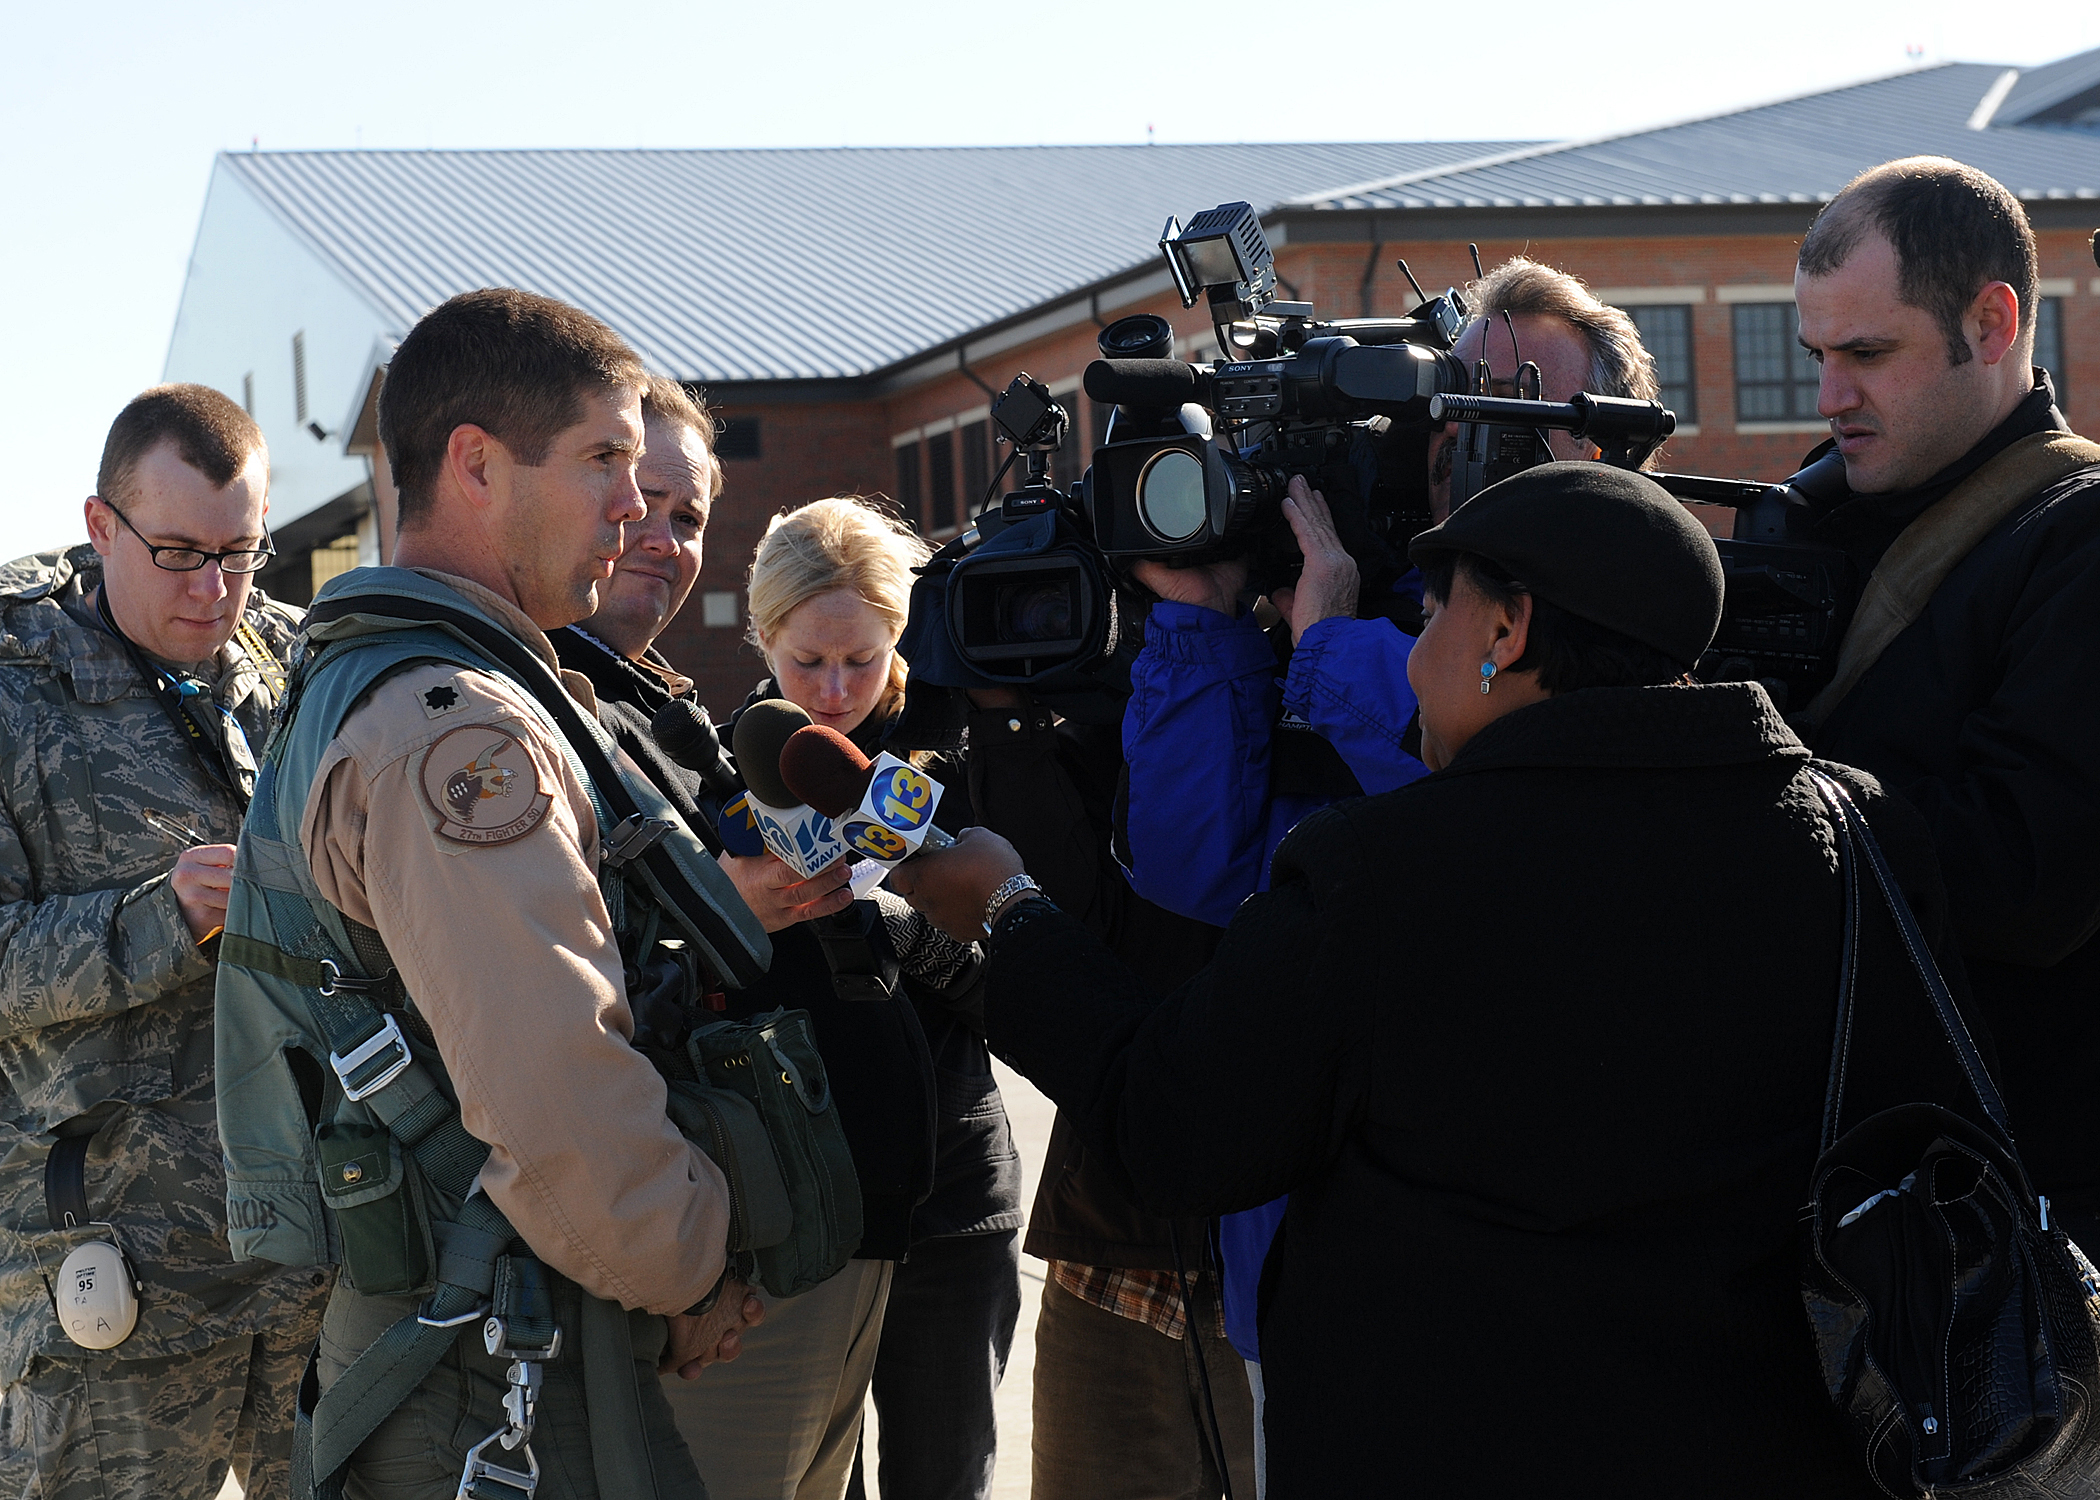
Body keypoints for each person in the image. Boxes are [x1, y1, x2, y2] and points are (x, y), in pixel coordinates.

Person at [893, 461, 1974, 1497]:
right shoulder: (1856, 829)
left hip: (1460, 1443)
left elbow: (1180, 1121)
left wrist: (1008, 915)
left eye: (1433, 619)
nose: (1410, 659)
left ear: (1507, 630)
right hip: (1787, 1449)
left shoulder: (1384, 869)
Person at [212, 288, 769, 1500]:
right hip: (491, 1361)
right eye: (604, 460)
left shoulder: (391, 679)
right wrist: (696, 1267)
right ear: (475, 464)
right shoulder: (455, 733)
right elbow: (556, 1085)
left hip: (470, 1328)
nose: (635, 503)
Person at [1119, 264, 1662, 1457]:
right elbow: (1194, 868)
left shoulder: (1635, 623)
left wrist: (1334, 651)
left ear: (1613, 451)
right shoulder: (1359, 595)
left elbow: (1499, 826)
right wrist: (1209, 621)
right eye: (1462, 397)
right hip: (1311, 1274)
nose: (1476, 430)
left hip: (1532, 1288)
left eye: (1525, 400)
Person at [0, 385, 328, 1500]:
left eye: (242, 552)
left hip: (310, 1261)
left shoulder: (298, 670)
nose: (215, 590)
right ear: (102, 528)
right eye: (180, 551)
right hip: (119, 1285)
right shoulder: (14, 695)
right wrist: (160, 920)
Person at [663, 496, 1022, 1500]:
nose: (832, 692)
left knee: (944, 1477)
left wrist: (916, 922)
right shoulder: (711, 779)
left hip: (949, 1190)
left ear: (898, 633)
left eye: (860, 661)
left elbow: (1033, 993)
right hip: (792, 1202)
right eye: (806, 661)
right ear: (763, 635)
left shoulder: (959, 760)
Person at [1790, 156, 2100, 1244]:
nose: (1832, 398)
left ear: (1992, 321)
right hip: (1849, 1198)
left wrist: (1767, 784)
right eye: (1818, 357)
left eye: (1869, 354)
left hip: (2004, 1236)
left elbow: (2030, 879)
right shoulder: (1815, 514)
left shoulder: (2076, 536)